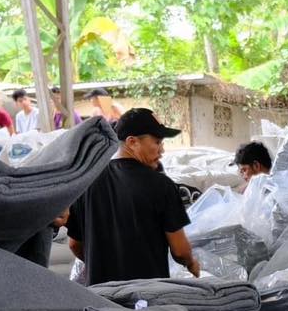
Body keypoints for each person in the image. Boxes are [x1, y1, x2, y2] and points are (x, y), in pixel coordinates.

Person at [67, 108, 198, 284]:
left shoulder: (88, 183)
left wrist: (101, 265)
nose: (162, 150)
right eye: (157, 142)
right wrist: (191, 264)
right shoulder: (162, 185)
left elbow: (74, 244)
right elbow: (180, 251)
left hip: (100, 297)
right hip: (147, 297)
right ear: (132, 142)